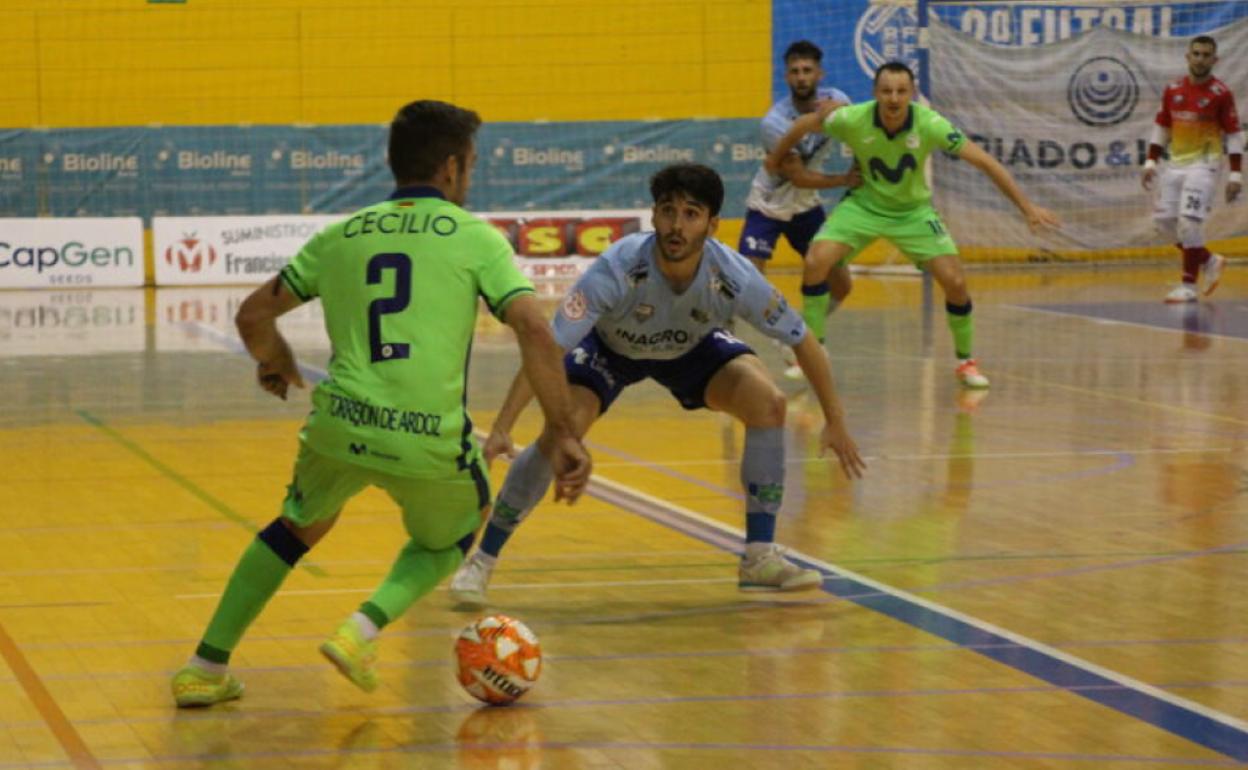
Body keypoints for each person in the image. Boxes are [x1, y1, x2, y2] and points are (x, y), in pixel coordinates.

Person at [169, 100, 592, 707]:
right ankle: (359, 631)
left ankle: (203, 668)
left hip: (339, 425)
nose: (469, 177)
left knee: (295, 529)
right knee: (459, 530)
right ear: (451, 168)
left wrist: (276, 362)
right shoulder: (476, 238)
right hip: (426, 437)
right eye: (471, 165)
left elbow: (253, 315)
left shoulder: (340, 235)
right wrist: (564, 430)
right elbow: (533, 329)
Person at [448, 162, 867, 608]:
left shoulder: (733, 274)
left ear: (712, 224)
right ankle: (482, 561)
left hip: (690, 347)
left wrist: (835, 420)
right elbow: (546, 349)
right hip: (611, 349)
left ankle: (759, 557)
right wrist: (503, 427)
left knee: (769, 403)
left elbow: (802, 339)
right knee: (560, 432)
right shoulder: (618, 266)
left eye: (691, 214)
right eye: (668, 211)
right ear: (654, 215)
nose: (677, 225)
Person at [765, 61, 1060, 390]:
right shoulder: (852, 118)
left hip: (914, 213)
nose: (894, 98)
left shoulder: (930, 124)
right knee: (815, 261)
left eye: (901, 91)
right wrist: (776, 158)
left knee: (955, 282)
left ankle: (966, 362)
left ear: (912, 93)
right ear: (875, 93)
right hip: (863, 207)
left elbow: (985, 162)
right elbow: (803, 124)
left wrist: (1026, 207)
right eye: (886, 91)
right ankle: (813, 352)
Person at [740, 40, 861, 378]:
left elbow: (860, 131)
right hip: (768, 203)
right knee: (749, 280)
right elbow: (798, 176)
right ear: (786, 77)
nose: (801, 76)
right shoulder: (774, 122)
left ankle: (801, 333)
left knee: (842, 285)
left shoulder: (837, 101)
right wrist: (844, 179)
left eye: (807, 70)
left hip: (806, 207)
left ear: (819, 74)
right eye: (794, 71)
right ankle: (777, 336)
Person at [1142, 35, 1242, 304]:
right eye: (1196, 53)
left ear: (1214, 60)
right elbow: (1162, 127)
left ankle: (1188, 286)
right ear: (1188, 56)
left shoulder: (1221, 94)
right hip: (1174, 164)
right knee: (1164, 223)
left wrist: (1235, 174)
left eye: (1206, 55)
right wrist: (1150, 161)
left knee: (1189, 221)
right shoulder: (1172, 89)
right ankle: (1208, 260)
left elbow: (1234, 135)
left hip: (1204, 165)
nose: (1200, 59)